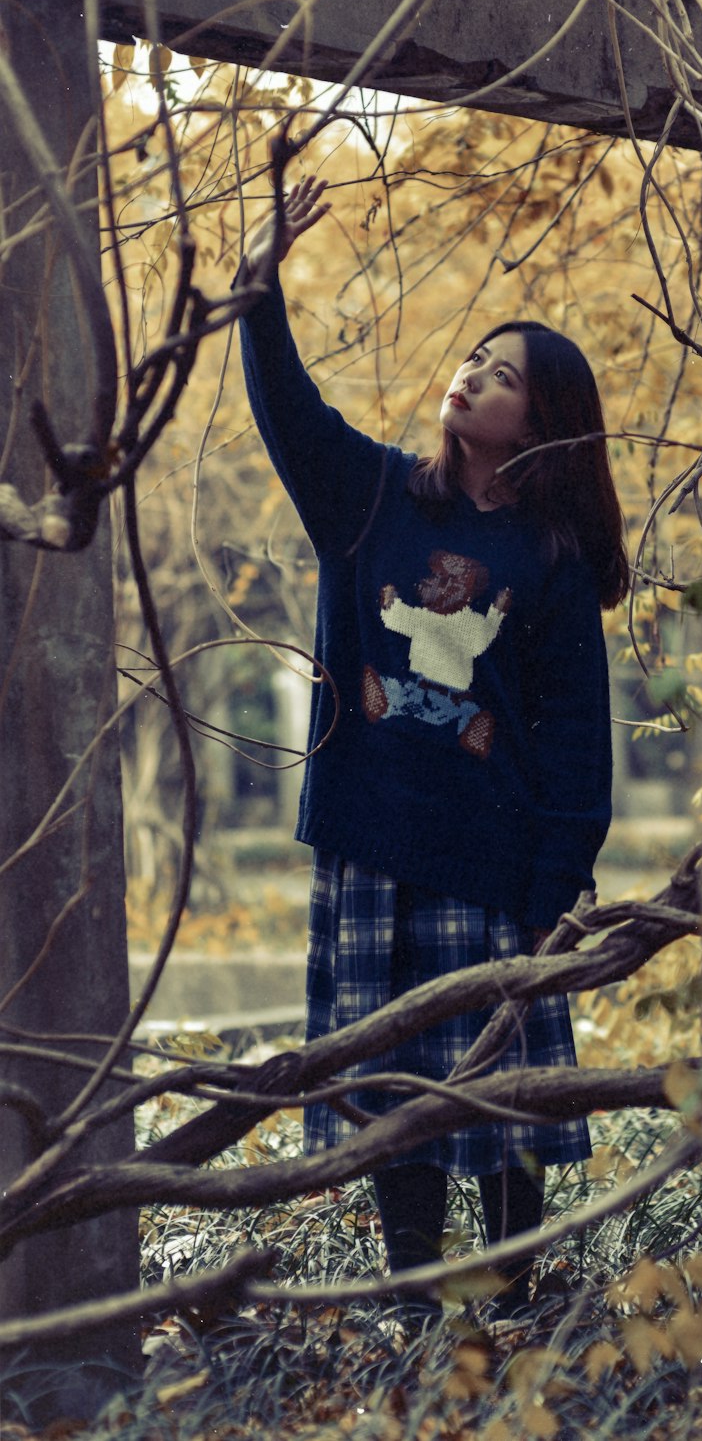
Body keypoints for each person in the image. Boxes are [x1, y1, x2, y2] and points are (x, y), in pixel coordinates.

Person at [238, 175, 629, 1325]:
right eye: (474, 356)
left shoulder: (551, 557)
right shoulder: (368, 498)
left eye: (503, 372)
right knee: (389, 1087)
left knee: (501, 1089)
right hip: (372, 844)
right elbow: (287, 410)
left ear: (542, 418)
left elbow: (576, 746)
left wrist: (557, 888)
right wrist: (260, 284)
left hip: (493, 864)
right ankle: (410, 1290)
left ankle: (512, 1291)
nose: (472, 373)